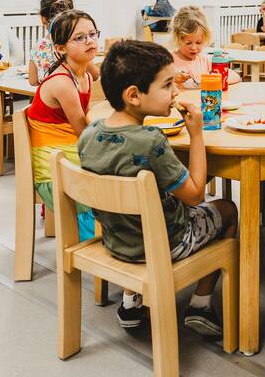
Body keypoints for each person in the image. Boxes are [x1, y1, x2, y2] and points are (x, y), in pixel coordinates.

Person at [78, 40, 238, 333]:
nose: (175, 92)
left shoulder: (88, 134)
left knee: (141, 207)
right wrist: (197, 135)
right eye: (167, 85)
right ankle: (200, 304)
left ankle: (130, 303)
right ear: (134, 95)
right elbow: (195, 196)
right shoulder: (151, 141)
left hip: (116, 241)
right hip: (166, 243)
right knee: (227, 209)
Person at [26, 10, 99, 241]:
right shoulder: (62, 82)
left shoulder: (84, 74)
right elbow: (84, 134)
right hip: (54, 174)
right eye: (79, 38)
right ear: (59, 48)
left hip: (68, 160)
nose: (89, 41)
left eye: (92, 34)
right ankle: (95, 245)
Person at [28, 0, 100, 86]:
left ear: (43, 19)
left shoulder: (37, 47)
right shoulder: (72, 45)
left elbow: (33, 81)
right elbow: (95, 75)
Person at [170, 6, 239, 89]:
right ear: (177, 39)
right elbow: (155, 82)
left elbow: (235, 76)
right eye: (188, 43)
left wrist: (214, 80)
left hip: (205, 101)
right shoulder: (168, 61)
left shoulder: (207, 61)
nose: (194, 48)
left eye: (198, 43)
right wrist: (173, 78)